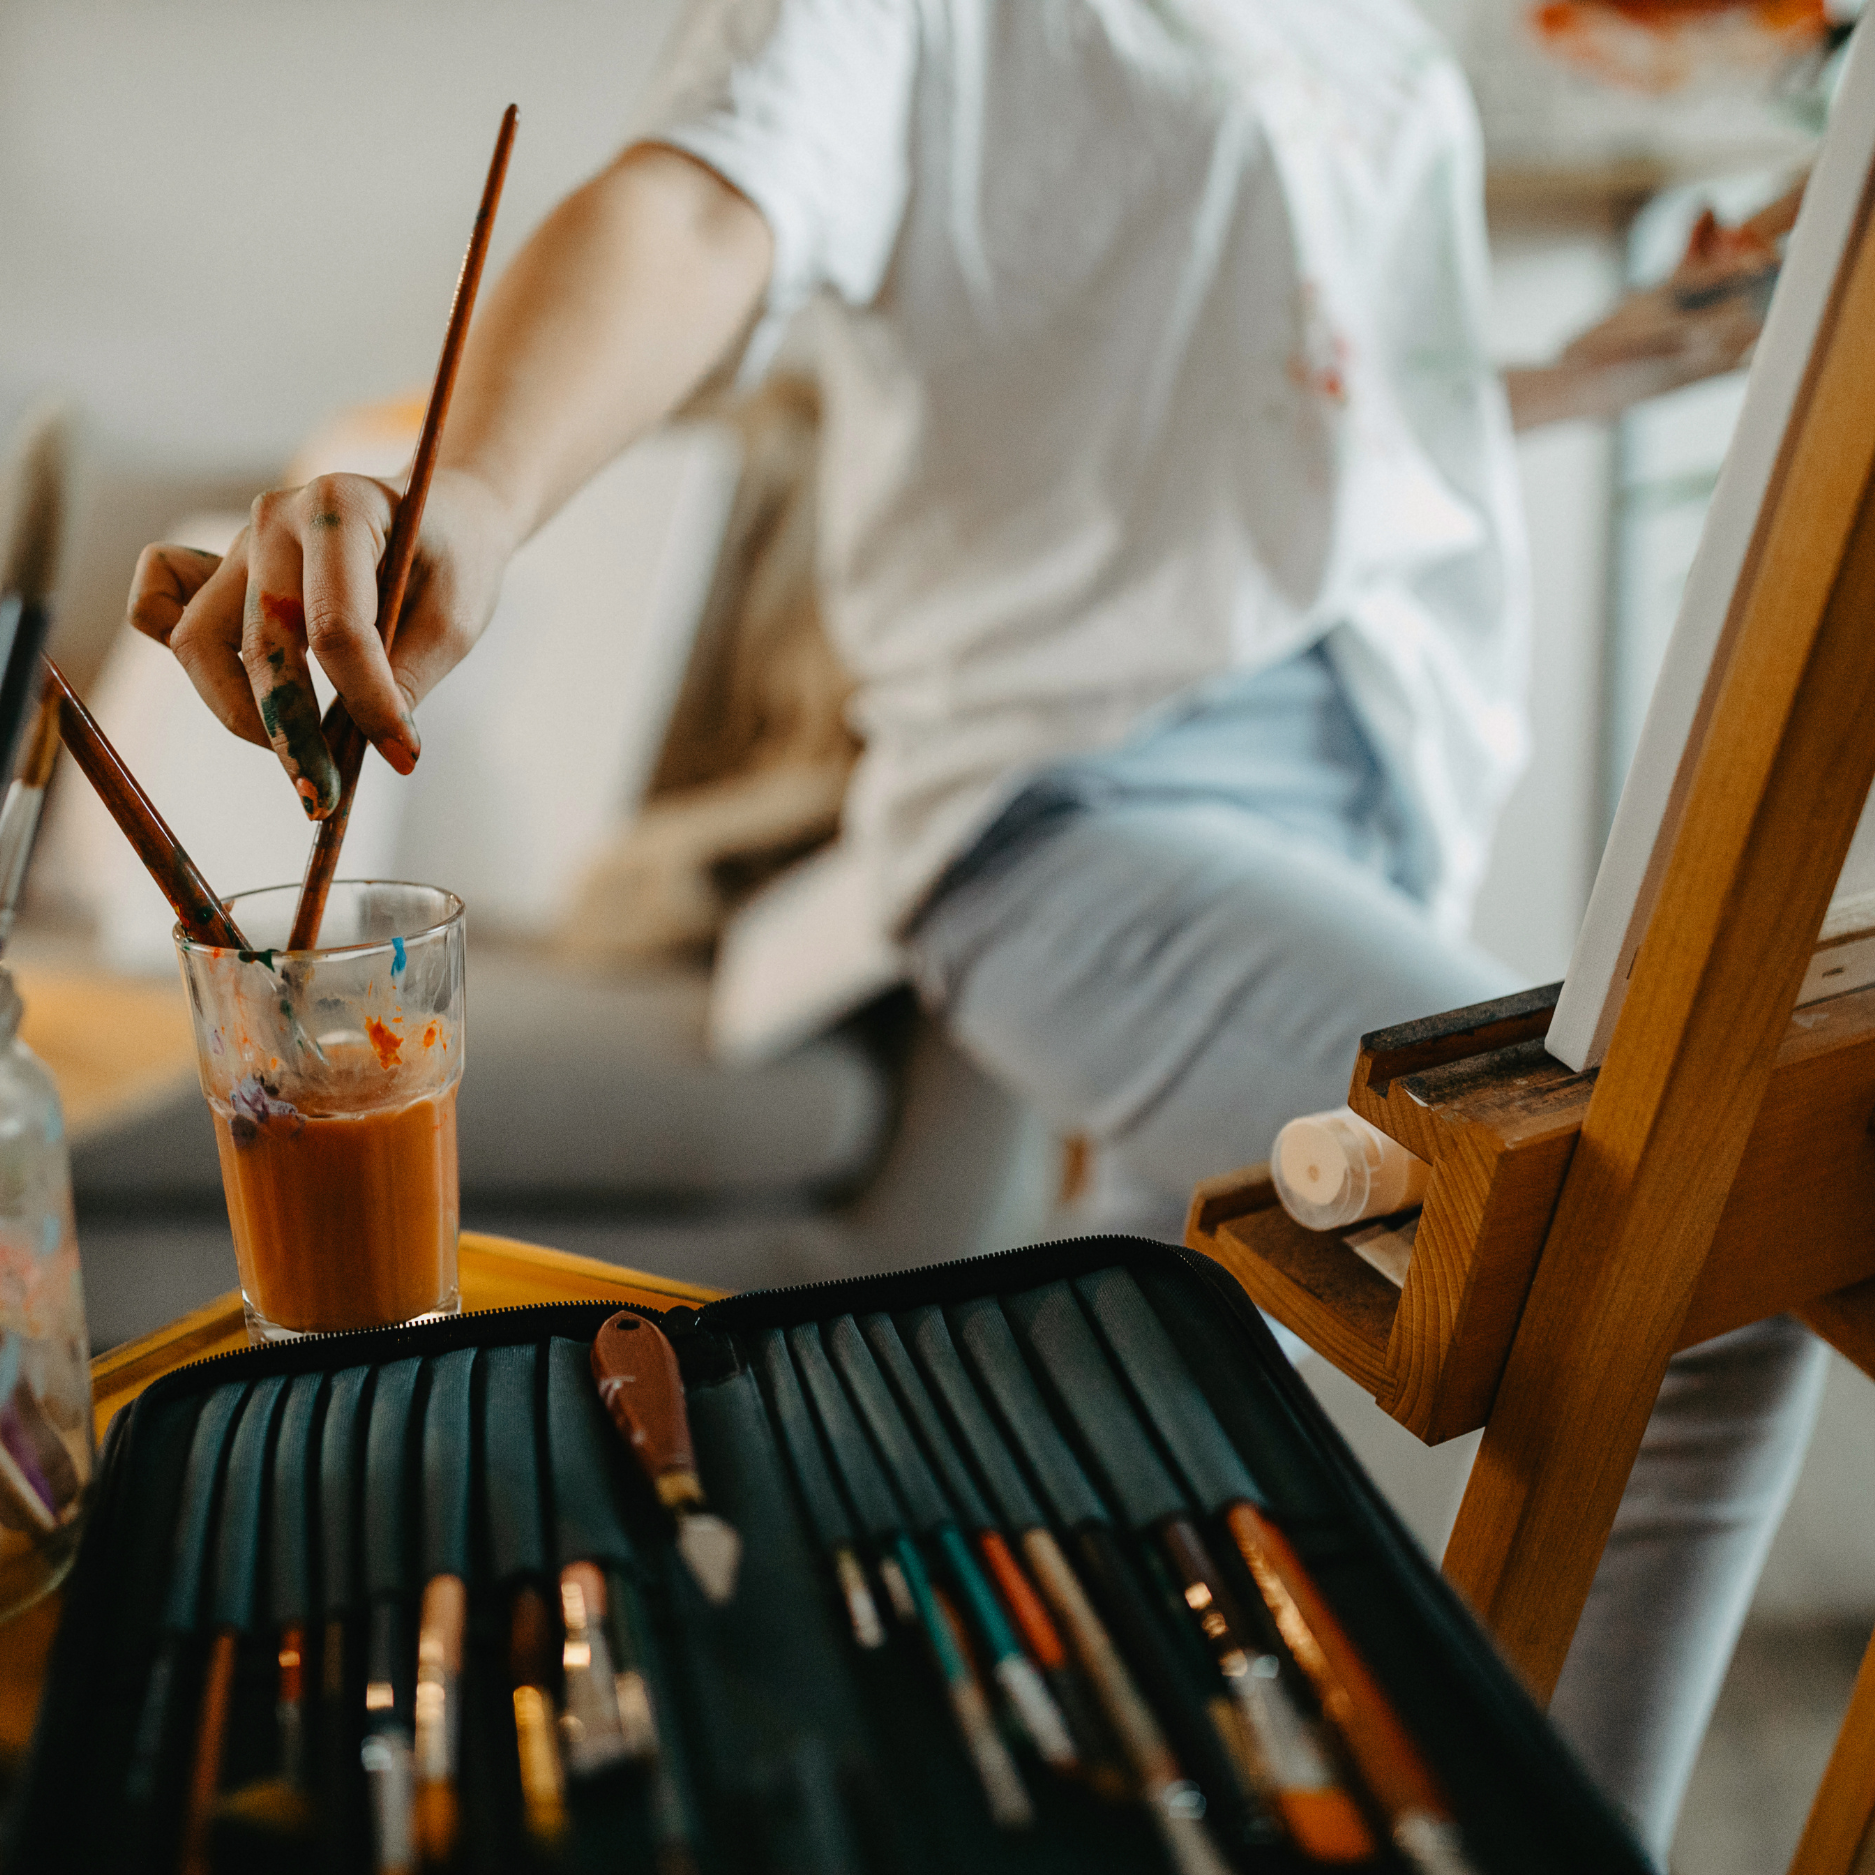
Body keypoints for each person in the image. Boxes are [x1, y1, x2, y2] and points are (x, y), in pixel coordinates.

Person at [126, 1, 1819, 1856]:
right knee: (1675, 1255)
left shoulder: (1360, 22)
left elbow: (1306, 419)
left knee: (1118, 1458)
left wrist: (1620, 365)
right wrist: (483, 490)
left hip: (1380, 789)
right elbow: (702, 204)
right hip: (1083, 808)